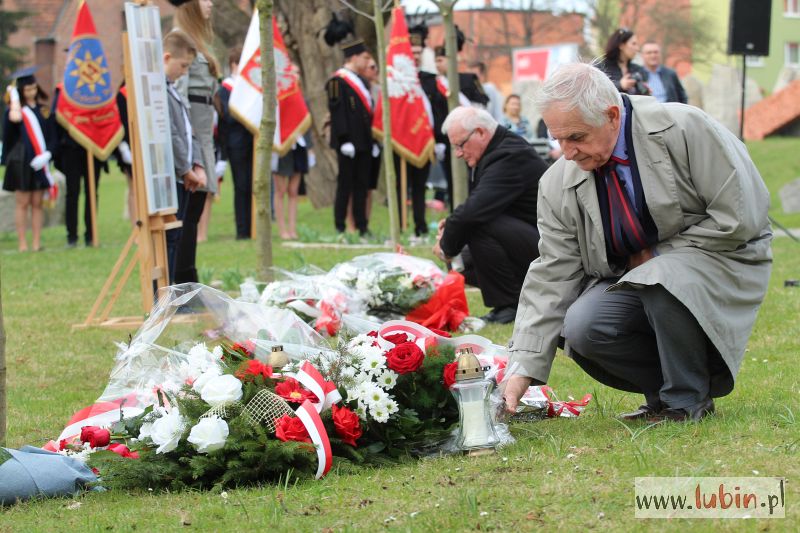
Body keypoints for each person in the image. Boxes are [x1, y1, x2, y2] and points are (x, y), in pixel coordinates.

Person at [503, 63, 772, 422]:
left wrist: (659, 254)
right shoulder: (556, 183)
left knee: (659, 277)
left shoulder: (687, 128)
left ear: (612, 115)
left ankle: (686, 401)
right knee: (583, 325)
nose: (567, 153)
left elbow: (740, 216)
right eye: (558, 139)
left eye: (577, 137)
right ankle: (663, 392)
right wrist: (522, 366)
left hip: (721, 257)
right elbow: (552, 273)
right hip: (633, 277)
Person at [432, 107, 547, 324]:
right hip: (530, 238)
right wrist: (450, 227)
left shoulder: (510, 155)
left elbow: (475, 212)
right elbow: (482, 203)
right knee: (461, 264)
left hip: (550, 248)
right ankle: (522, 296)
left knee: (476, 227)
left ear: (481, 133)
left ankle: (509, 305)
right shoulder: (497, 151)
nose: (458, 153)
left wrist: (447, 246)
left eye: (460, 144)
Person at [173, 0, 217, 282]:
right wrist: (191, 156)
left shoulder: (199, 42)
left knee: (196, 211)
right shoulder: (180, 40)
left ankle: (189, 276)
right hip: (193, 140)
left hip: (204, 135)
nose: (210, 3)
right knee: (188, 215)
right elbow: (178, 98)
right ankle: (184, 280)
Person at [163, 30, 205, 283]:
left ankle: (174, 292)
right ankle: (166, 294)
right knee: (170, 238)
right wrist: (184, 169)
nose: (184, 72)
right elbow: (172, 134)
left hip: (185, 174)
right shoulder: (159, 91)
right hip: (173, 176)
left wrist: (196, 164)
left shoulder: (173, 90)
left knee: (177, 236)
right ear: (167, 57)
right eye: (182, 65)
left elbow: (189, 131)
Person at [2, 67, 55, 252]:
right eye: (27, 89)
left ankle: (36, 243)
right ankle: (22, 243)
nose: (32, 92)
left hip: (40, 159)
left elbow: (52, 135)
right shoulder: (15, 111)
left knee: (37, 203)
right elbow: (9, 131)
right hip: (22, 161)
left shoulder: (45, 110)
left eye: (33, 88)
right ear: (21, 91)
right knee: (22, 202)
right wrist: (14, 101)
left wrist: (48, 153)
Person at [326, 39, 375, 238]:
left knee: (362, 185)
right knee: (345, 184)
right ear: (353, 57)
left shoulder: (362, 81)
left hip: (363, 141)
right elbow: (338, 112)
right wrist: (344, 138)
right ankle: (340, 225)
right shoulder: (337, 81)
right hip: (347, 142)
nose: (366, 62)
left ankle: (361, 225)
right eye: (364, 58)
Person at [52, 84, 106, 247]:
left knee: (92, 192)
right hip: (71, 147)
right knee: (72, 192)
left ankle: (91, 235)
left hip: (93, 147)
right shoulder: (64, 89)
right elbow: (57, 117)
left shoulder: (98, 87)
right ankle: (72, 237)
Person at [217, 46, 255, 240]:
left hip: (251, 141)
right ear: (234, 64)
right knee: (241, 186)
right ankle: (242, 230)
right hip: (235, 142)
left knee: (251, 185)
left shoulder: (248, 87)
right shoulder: (226, 88)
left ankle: (252, 226)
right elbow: (227, 116)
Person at [274, 133, 313, 240]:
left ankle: (292, 230)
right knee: (280, 191)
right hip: (280, 145)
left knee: (293, 191)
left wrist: (310, 148)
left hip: (298, 145)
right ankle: (282, 230)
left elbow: (306, 121)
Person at [597, 28, 650, 96]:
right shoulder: (601, 67)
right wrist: (620, 85)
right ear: (621, 45)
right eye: (633, 44)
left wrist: (645, 91)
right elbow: (596, 91)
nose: (637, 48)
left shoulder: (637, 69)